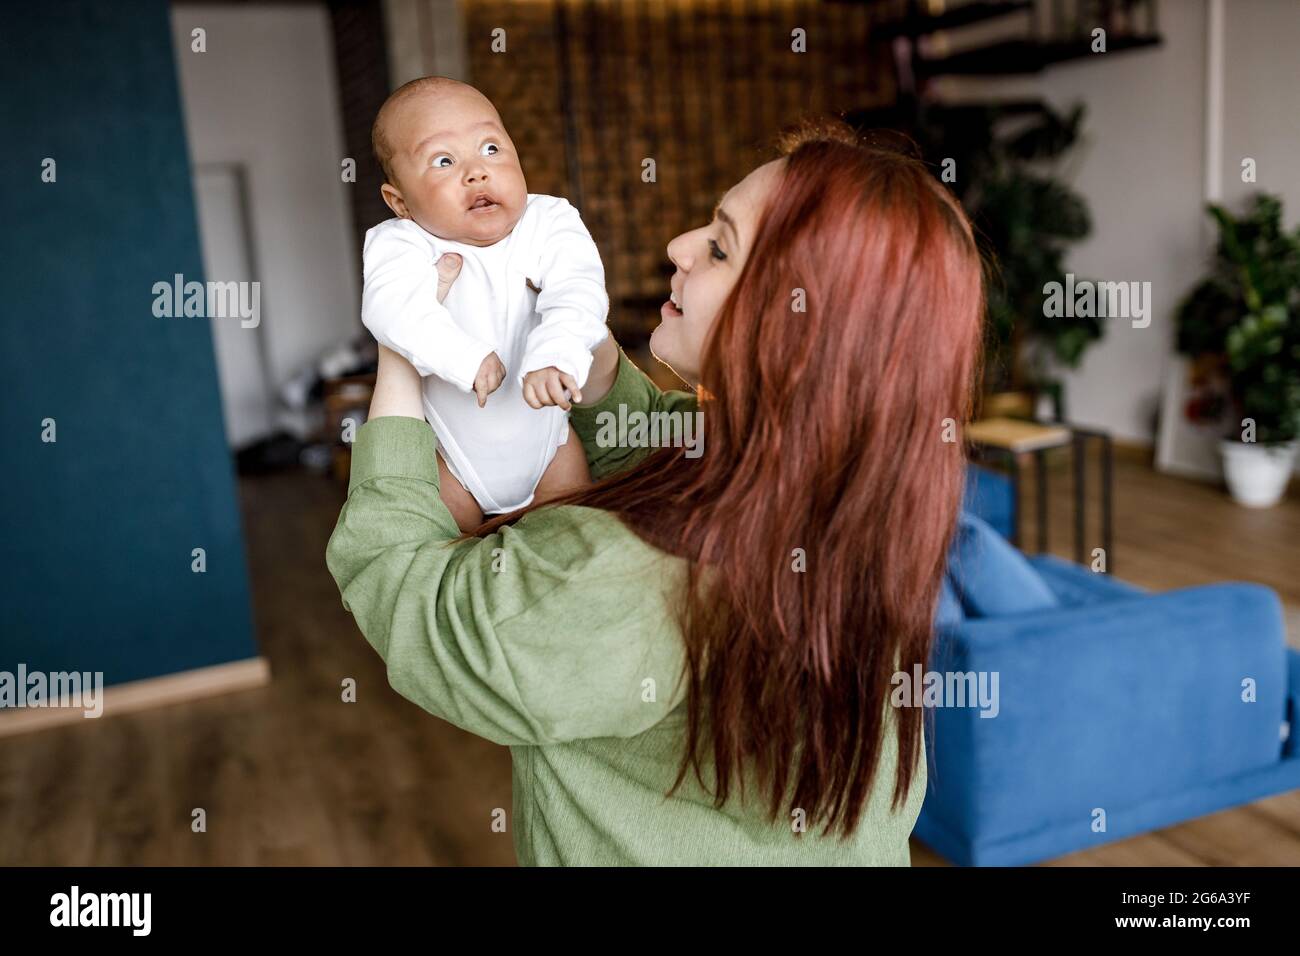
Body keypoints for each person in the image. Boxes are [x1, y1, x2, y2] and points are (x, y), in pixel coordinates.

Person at [326, 119, 985, 865]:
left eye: (720, 246)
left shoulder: (620, 572)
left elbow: (408, 592)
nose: (679, 244)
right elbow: (662, 445)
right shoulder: (865, 489)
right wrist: (572, 337)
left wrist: (401, 355)